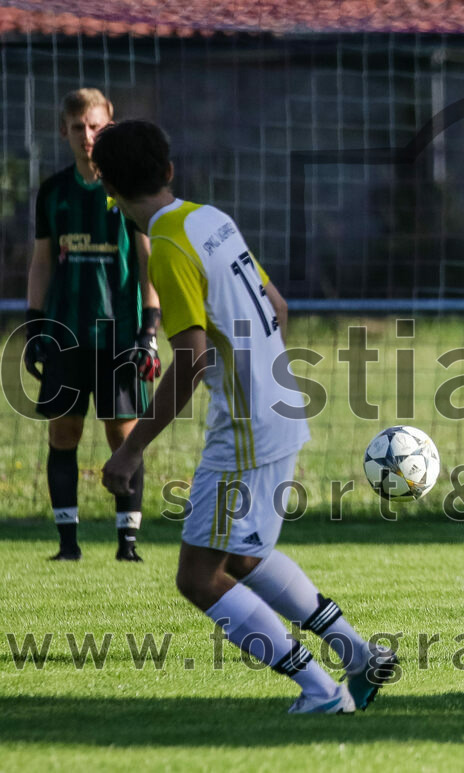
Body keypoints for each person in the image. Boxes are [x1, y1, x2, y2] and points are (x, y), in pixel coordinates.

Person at [92, 119, 398, 714]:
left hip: (249, 429)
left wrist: (132, 448)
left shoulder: (168, 246)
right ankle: (358, 656)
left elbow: (192, 358)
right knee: (242, 556)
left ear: (108, 185)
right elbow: (278, 307)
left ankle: (321, 691)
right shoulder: (210, 219)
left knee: (199, 577)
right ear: (170, 171)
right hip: (280, 409)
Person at [24, 88, 161, 562]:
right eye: (79, 127)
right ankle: (67, 546)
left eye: (96, 126)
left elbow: (149, 264)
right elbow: (41, 261)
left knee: (123, 435)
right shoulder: (54, 192)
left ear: (110, 127)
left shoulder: (126, 192)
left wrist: (150, 329)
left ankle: (128, 546)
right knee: (63, 434)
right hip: (66, 333)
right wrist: (33, 323)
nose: (88, 136)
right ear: (63, 130)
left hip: (120, 333)